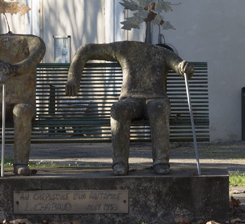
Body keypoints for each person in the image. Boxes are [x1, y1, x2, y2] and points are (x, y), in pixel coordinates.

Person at [65, 40, 194, 175]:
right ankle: (120, 162)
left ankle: (161, 161)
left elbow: (179, 65)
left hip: (156, 99)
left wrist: (185, 67)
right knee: (119, 109)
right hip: (130, 100)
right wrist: (73, 76)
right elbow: (86, 49)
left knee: (158, 109)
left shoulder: (163, 53)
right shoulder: (123, 48)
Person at [0, 34, 45, 176]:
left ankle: (21, 163)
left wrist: (14, 70)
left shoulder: (32, 41)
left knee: (21, 111)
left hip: (24, 100)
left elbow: (34, 57)